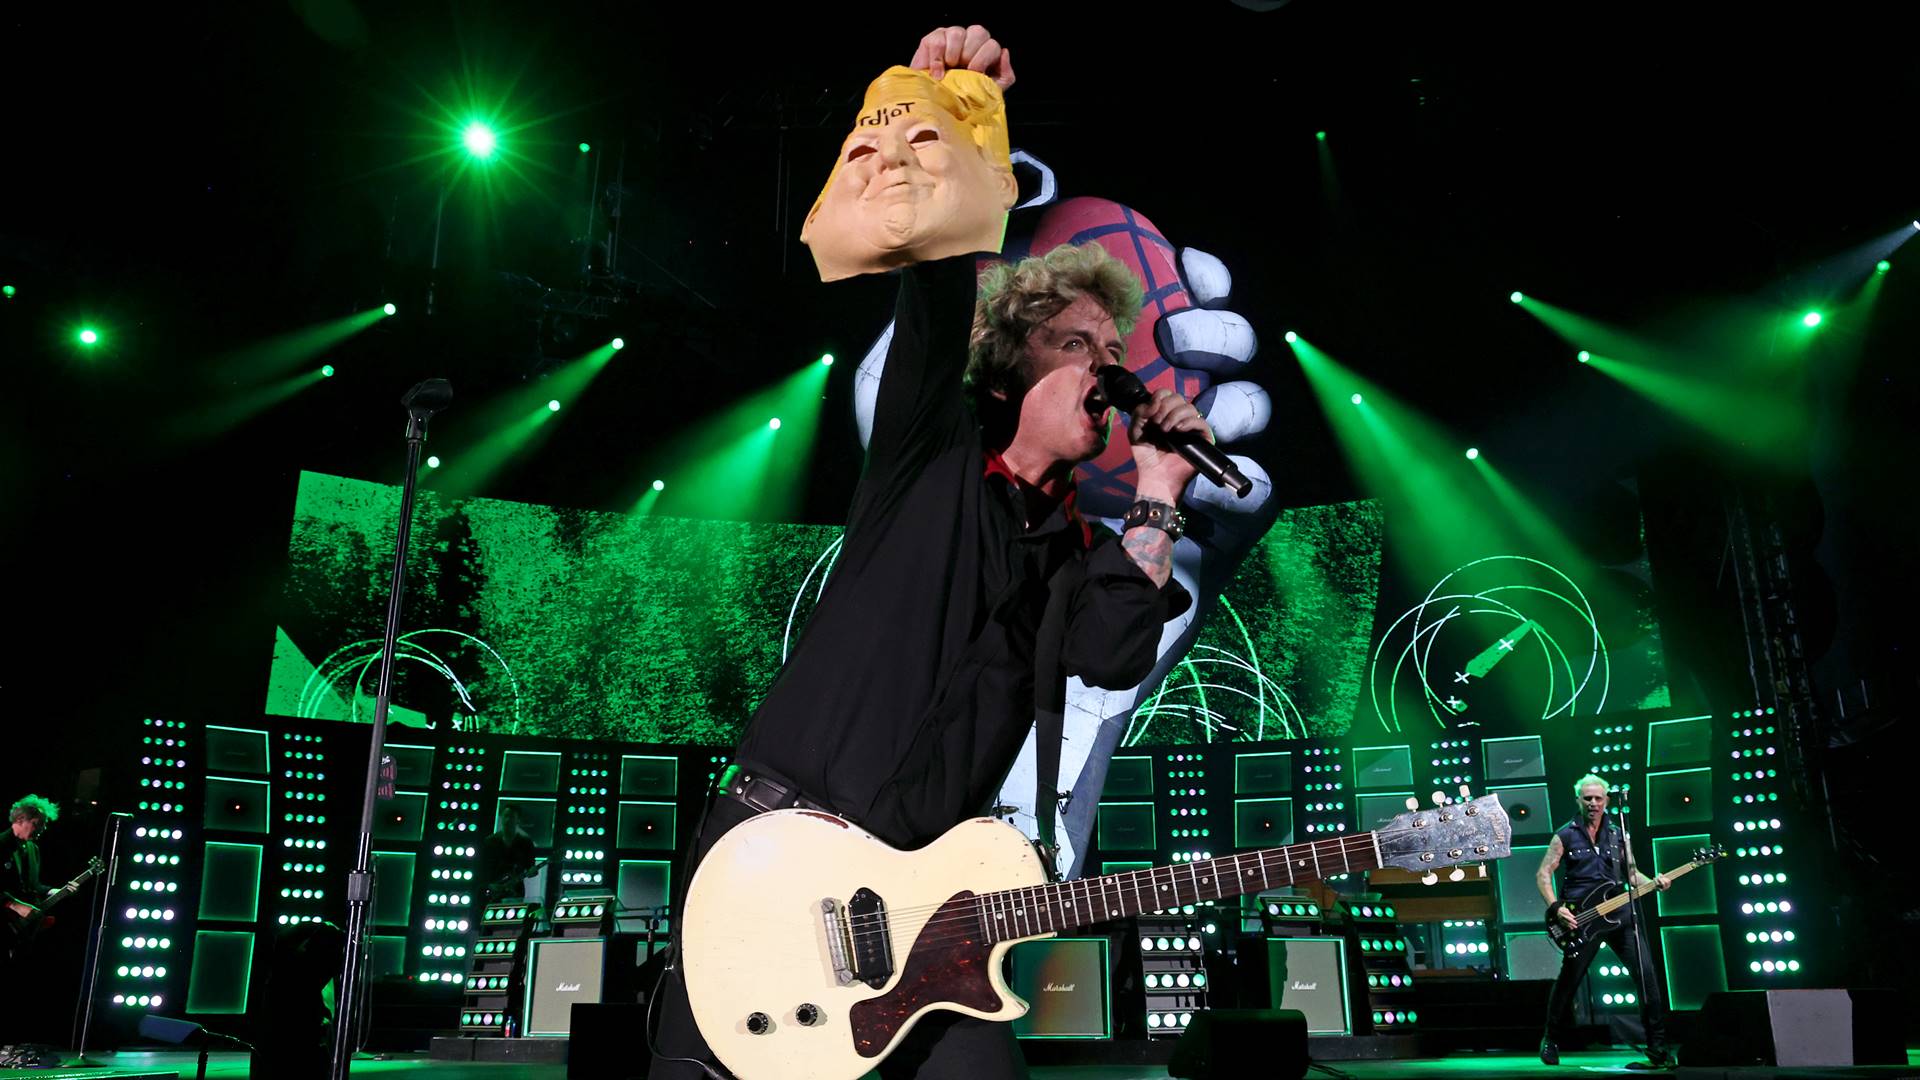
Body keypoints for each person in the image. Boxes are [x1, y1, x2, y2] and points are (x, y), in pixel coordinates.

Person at [648, 25, 1208, 1080]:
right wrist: (957, 110)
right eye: (1075, 345)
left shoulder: (1080, 552)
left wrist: (1159, 487)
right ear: (1008, 370)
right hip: (771, 861)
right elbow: (939, 275)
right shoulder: (928, 449)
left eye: (1114, 352)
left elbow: (1115, 657)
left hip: (914, 907)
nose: (1107, 369)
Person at [1536, 774, 1673, 1069]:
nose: (1594, 803)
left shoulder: (1617, 834)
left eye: (1599, 798)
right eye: (1588, 798)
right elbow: (1543, 874)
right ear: (1579, 801)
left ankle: (1657, 1047)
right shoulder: (1565, 835)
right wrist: (1556, 907)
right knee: (1569, 981)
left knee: (1647, 977)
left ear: (1607, 800)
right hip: (1581, 919)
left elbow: (1633, 874)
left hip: (1621, 913)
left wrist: (1656, 881)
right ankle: (1551, 1037)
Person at [1, 795, 58, 948]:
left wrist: (53, 891)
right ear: (20, 819)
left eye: (45, 824)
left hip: (23, 929)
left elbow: (33, 885)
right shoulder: (2, 844)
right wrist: (14, 905)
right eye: (37, 823)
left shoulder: (33, 849)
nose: (43, 828)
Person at [476, 804, 537, 902]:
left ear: (518, 820)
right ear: (501, 817)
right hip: (493, 891)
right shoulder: (490, 842)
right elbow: (481, 867)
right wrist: (489, 885)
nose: (508, 820)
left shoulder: (526, 842)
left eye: (512, 817)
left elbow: (530, 867)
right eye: (506, 816)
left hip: (515, 891)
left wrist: (532, 871)